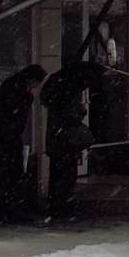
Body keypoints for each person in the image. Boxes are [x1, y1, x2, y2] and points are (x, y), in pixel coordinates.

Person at [40, 60, 107, 218]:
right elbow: (70, 117)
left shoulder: (62, 89)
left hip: (59, 143)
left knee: (58, 175)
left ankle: (58, 206)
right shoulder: (65, 93)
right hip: (65, 143)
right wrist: (80, 112)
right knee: (65, 176)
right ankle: (62, 207)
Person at [0, 64, 46, 220]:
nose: (37, 86)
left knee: (9, 168)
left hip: (7, 133)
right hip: (9, 134)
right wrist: (29, 96)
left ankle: (9, 205)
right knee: (12, 169)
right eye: (37, 83)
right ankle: (12, 206)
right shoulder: (18, 89)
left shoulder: (12, 85)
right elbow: (15, 111)